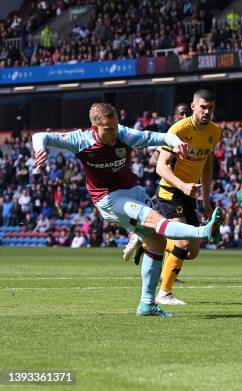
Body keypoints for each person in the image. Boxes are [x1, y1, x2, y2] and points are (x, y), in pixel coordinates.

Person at [31, 103, 224, 317]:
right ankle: (205, 232)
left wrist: (176, 141)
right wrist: (40, 149)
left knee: (157, 242)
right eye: (109, 129)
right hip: (108, 198)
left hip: (132, 190)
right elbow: (41, 136)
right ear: (94, 128)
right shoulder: (80, 140)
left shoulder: (124, 134)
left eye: (115, 126)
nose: (114, 132)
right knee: (155, 220)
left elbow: (158, 137)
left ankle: (147, 305)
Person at [124, 90, 221, 305]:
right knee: (184, 242)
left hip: (190, 194)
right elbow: (160, 166)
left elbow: (207, 165)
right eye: (202, 107)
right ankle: (164, 294)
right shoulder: (178, 129)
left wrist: (206, 201)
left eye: (210, 108)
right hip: (171, 191)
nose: (206, 112)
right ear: (193, 106)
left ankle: (147, 240)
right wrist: (182, 185)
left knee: (192, 252)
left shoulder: (214, 132)